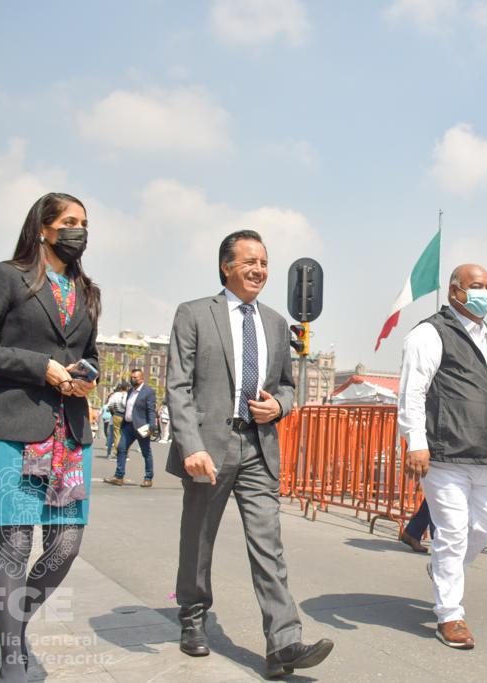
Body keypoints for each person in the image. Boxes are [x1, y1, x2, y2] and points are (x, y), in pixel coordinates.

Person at [166, 229, 333, 678]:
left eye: (264, 262)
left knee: (268, 545)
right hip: (208, 448)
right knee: (198, 539)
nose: (259, 270)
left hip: (259, 447)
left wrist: (279, 405)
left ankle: (283, 643)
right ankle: (193, 618)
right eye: (249, 262)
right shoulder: (195, 314)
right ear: (226, 266)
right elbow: (178, 387)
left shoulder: (277, 324)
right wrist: (191, 445)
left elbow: (286, 385)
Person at [0, 192, 99, 683]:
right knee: (15, 548)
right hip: (14, 430)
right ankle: (11, 658)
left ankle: (12, 632)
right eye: (69, 221)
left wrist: (87, 373)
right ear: (43, 228)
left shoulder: (88, 291)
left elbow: (91, 353)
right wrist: (42, 367)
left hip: (69, 435)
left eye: (84, 222)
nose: (79, 230)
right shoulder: (7, 276)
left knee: (65, 547)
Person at [398, 263, 487, 650]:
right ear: (455, 291)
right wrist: (415, 441)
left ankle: (441, 569)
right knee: (451, 533)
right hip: (444, 454)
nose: (484, 292)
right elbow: (413, 391)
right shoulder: (430, 333)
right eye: (475, 286)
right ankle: (449, 615)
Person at [103, 369, 156, 487]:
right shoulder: (130, 391)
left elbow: (151, 410)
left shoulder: (148, 392)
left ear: (142, 378)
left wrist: (152, 427)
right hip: (128, 426)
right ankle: (119, 476)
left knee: (146, 452)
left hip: (142, 427)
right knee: (121, 448)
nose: (132, 379)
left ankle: (148, 478)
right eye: (132, 377)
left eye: (135, 378)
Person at [105, 382, 127, 457]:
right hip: (126, 417)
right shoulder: (128, 395)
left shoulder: (115, 395)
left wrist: (113, 413)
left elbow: (109, 406)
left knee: (116, 435)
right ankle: (124, 453)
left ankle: (114, 452)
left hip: (116, 416)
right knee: (124, 435)